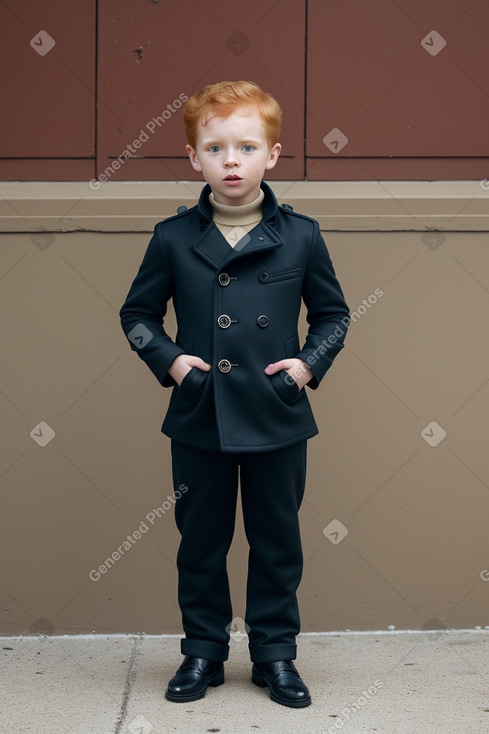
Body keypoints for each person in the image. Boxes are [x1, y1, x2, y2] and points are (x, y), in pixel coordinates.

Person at [119, 80, 349, 708]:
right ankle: (203, 652)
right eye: (215, 148)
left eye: (246, 147)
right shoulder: (172, 237)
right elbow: (137, 316)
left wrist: (304, 368)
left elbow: (335, 317)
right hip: (200, 416)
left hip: (276, 415)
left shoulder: (301, 235)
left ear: (272, 155)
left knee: (277, 541)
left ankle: (276, 656)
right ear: (194, 157)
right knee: (200, 540)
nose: (231, 161)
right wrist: (174, 366)